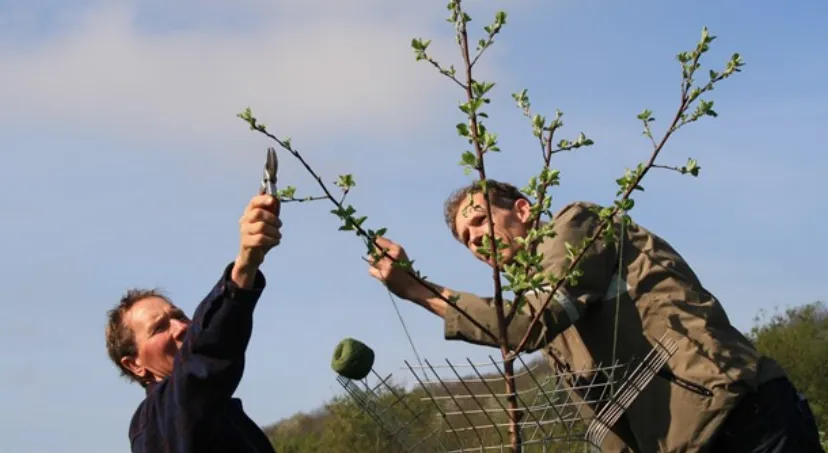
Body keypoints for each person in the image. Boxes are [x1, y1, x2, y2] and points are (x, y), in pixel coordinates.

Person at [367, 179, 825, 453]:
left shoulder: (577, 227)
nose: (478, 241)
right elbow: (607, 417)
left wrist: (416, 289)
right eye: (468, 240)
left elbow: (525, 326)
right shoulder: (548, 312)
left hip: (743, 419)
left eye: (482, 221)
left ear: (523, 210)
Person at [105, 193, 283, 453]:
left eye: (178, 316)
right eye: (159, 328)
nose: (181, 328)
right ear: (135, 365)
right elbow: (203, 358)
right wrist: (244, 267)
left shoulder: (219, 414)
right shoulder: (161, 418)